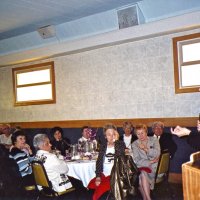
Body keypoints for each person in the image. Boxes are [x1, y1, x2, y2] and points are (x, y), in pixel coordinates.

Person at [90, 123, 126, 200]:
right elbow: (99, 162)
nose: (111, 136)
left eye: (113, 134)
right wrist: (98, 176)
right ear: (105, 136)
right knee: (91, 187)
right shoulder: (103, 146)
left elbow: (121, 159)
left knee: (101, 193)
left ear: (116, 135)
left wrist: (116, 141)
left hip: (115, 176)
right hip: (104, 175)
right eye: (109, 134)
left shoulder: (120, 144)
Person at [132, 124, 160, 200]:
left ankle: (145, 198)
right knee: (143, 173)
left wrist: (146, 149)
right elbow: (137, 160)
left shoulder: (154, 140)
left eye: (142, 133)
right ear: (136, 135)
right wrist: (150, 161)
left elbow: (157, 153)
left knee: (141, 178)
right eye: (138, 134)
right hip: (142, 166)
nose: (141, 136)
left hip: (155, 167)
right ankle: (148, 198)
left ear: (146, 132)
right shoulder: (134, 144)